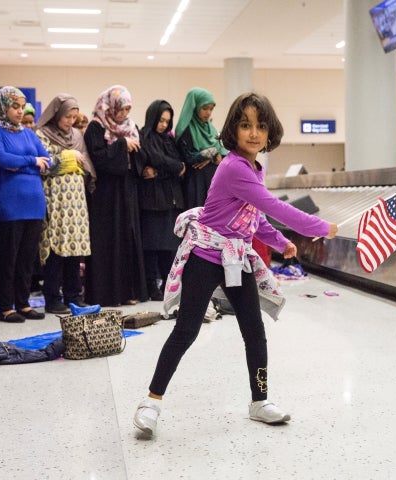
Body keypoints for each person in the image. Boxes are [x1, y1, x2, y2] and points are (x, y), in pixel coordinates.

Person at [133, 92, 339, 437]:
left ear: (269, 131)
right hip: (206, 256)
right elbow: (275, 207)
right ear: (233, 129)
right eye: (245, 125)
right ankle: (151, 401)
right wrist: (321, 227)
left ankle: (259, 402)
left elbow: (254, 217)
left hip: (236, 258)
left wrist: (281, 242)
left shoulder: (253, 167)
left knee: (254, 330)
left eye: (260, 126)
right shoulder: (233, 167)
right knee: (187, 330)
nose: (254, 133)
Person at [0, 86, 50, 323]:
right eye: (15, 107)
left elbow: (47, 161)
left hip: (34, 203)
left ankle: (23, 303)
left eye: (22, 107)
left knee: (26, 258)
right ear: (2, 106)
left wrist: (22, 164)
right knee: (6, 257)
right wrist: (31, 162)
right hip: (7, 204)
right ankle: (6, 307)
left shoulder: (28, 133)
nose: (20, 112)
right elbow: (2, 159)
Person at [83, 85, 147, 306]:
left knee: (127, 238)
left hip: (127, 191)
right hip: (106, 195)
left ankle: (127, 291)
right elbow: (99, 158)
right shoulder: (96, 126)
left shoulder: (131, 127)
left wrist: (130, 148)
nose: (124, 114)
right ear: (110, 106)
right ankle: (107, 294)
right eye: (121, 109)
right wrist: (122, 145)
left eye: (128, 109)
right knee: (108, 241)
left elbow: (140, 154)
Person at [35, 94, 94, 314]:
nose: (70, 121)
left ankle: (74, 296)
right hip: (55, 198)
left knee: (75, 248)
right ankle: (52, 298)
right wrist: (71, 157)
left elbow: (85, 162)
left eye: (74, 116)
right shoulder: (42, 134)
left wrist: (71, 159)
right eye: (67, 116)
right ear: (56, 114)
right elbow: (47, 163)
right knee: (55, 248)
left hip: (76, 200)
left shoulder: (77, 134)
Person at [138, 99, 185, 301]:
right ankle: (151, 287)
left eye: (167, 121)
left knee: (170, 248)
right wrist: (171, 167)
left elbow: (182, 168)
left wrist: (160, 170)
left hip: (171, 201)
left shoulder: (169, 140)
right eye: (161, 120)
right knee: (152, 248)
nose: (164, 125)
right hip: (152, 202)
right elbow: (155, 159)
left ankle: (168, 286)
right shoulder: (144, 137)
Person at [175, 87, 228, 208]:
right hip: (195, 185)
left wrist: (210, 156)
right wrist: (212, 153)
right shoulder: (185, 129)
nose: (208, 113)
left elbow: (223, 155)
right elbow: (189, 157)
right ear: (195, 107)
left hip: (214, 184)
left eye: (211, 109)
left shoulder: (211, 128)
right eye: (204, 108)